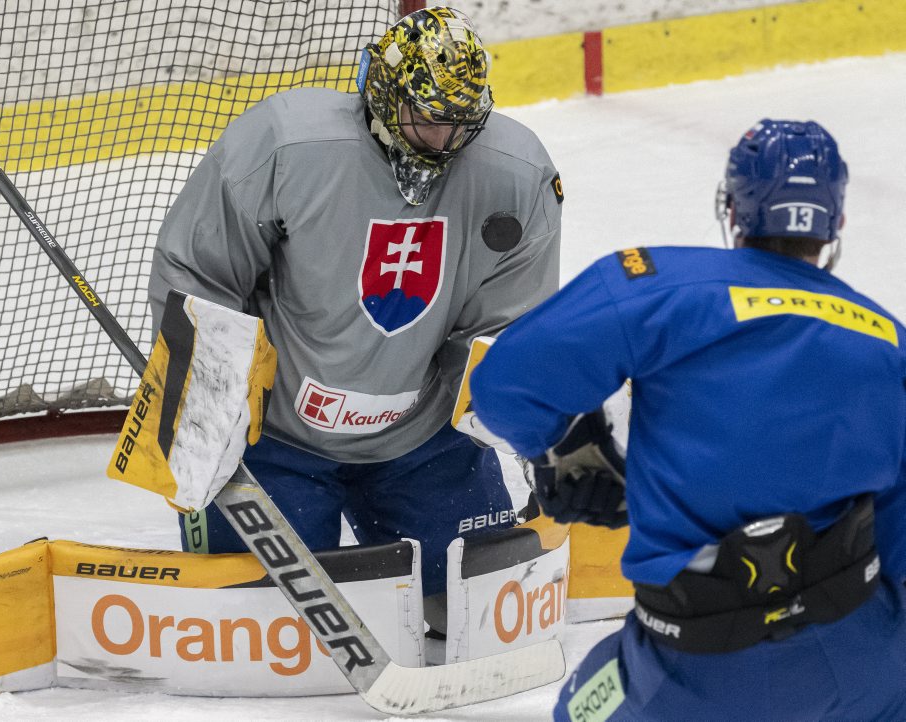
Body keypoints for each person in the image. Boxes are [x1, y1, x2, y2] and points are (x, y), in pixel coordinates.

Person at [470, 119, 906, 720]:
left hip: (692, 667)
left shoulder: (658, 284)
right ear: (835, 224)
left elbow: (503, 384)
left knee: (580, 708)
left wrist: (566, 446)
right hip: (862, 661)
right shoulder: (889, 339)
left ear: (734, 209)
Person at [146, 7, 562, 629]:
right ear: (382, 92)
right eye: (426, 119)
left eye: (461, 124)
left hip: (420, 442)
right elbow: (200, 274)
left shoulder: (520, 176)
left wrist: (519, 427)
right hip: (274, 442)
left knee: (478, 612)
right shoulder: (287, 145)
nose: (443, 140)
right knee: (264, 633)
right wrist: (207, 408)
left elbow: (506, 329)